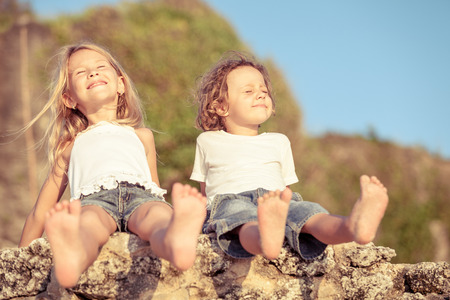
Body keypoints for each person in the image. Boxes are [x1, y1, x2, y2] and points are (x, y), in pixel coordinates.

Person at [18, 42, 207, 288]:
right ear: (69, 99)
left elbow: (154, 187)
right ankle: (72, 258)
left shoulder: (142, 135)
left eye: (99, 67)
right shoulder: (69, 147)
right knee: (87, 226)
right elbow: (40, 211)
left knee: (159, 215)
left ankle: (175, 242)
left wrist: (161, 207)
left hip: (142, 196)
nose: (92, 73)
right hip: (94, 201)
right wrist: (18, 258)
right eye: (80, 73)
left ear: (120, 84)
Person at [190, 51, 389, 261]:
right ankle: (266, 237)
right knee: (243, 222)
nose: (260, 94)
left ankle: (352, 226)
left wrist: (285, 207)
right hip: (231, 200)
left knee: (311, 214)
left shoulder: (279, 141)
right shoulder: (208, 141)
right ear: (220, 106)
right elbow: (206, 194)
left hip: (276, 200)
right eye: (248, 91)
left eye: (264, 90)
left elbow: (285, 189)